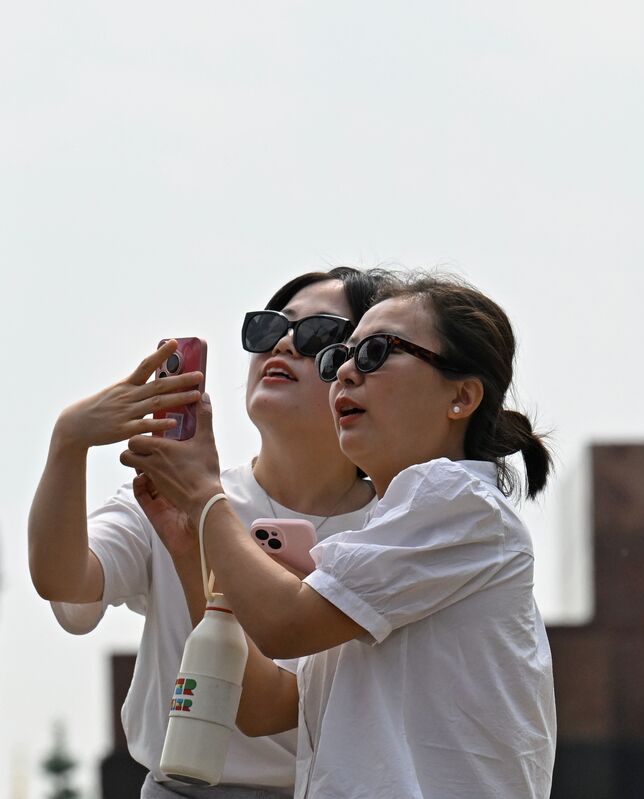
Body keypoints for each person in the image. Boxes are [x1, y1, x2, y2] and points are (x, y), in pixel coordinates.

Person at [126, 273, 557, 799]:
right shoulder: (396, 524)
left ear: (462, 396)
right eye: (338, 359)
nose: (345, 373)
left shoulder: (455, 498)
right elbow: (266, 709)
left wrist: (203, 495)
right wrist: (187, 540)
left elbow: (285, 625)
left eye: (375, 352)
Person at [29, 266, 394, 798]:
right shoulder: (169, 495)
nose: (285, 343)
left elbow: (272, 707)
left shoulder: (393, 530)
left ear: (363, 371)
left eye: (318, 333)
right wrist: (68, 444)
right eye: (268, 328)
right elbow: (63, 579)